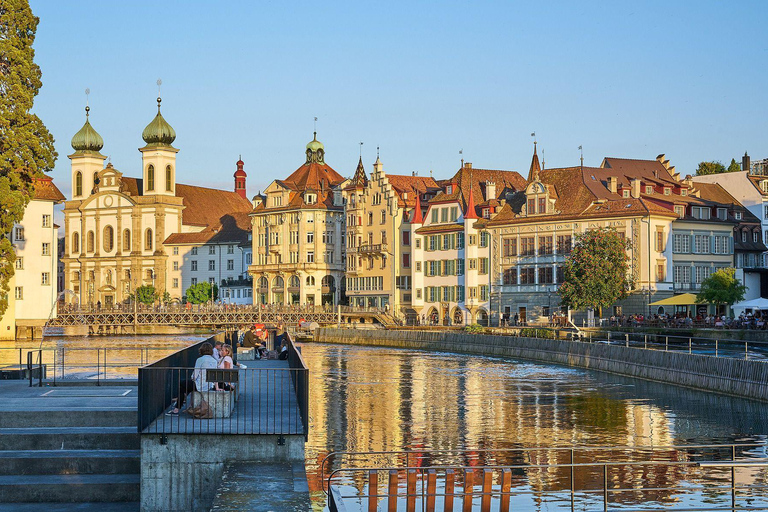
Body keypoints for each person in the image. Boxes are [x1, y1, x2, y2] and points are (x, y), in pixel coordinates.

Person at [167, 342, 218, 415]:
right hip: (208, 385)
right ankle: (184, 401)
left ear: (202, 350)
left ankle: (176, 409)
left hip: (199, 385)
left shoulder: (200, 360)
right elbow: (215, 375)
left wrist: (192, 378)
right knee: (187, 386)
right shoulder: (214, 361)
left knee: (182, 384)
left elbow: (195, 375)